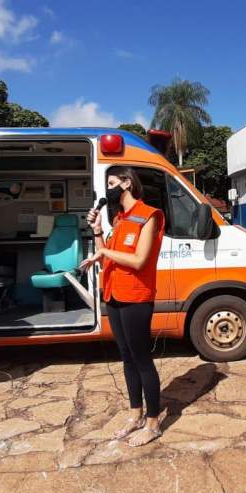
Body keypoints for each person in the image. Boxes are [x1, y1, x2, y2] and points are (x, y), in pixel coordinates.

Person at [81, 166, 166, 447]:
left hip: (136, 298)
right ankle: (136, 415)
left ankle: (153, 423)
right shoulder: (119, 220)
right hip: (114, 295)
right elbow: (107, 258)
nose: (108, 189)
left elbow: (139, 260)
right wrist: (97, 232)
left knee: (142, 359)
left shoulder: (149, 215)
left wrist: (105, 251)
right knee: (127, 358)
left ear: (127, 183)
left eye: (112, 183)